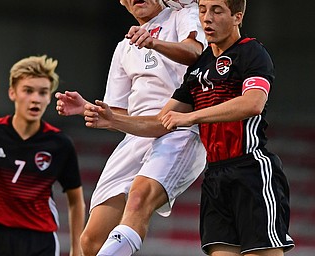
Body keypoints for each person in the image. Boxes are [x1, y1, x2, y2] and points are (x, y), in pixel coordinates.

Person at [83, 0, 296, 255]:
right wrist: (112, 120)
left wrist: (191, 118)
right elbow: (163, 121)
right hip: (215, 178)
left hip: (251, 171)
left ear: (237, 17)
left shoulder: (251, 52)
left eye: (216, 11)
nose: (207, 18)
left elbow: (253, 103)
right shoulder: (198, 69)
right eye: (203, 10)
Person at [56, 1, 207, 255]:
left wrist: (153, 42)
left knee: (138, 199)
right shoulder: (124, 47)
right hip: (136, 135)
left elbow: (195, 52)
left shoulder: (181, 15)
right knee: (91, 240)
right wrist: (86, 109)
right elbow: (117, 114)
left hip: (178, 128)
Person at [0, 55, 86, 256]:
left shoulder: (59, 144)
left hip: (40, 241)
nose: (35, 98)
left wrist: (76, 249)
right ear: (12, 93)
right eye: (28, 91)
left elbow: (76, 199)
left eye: (43, 92)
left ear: (49, 97)